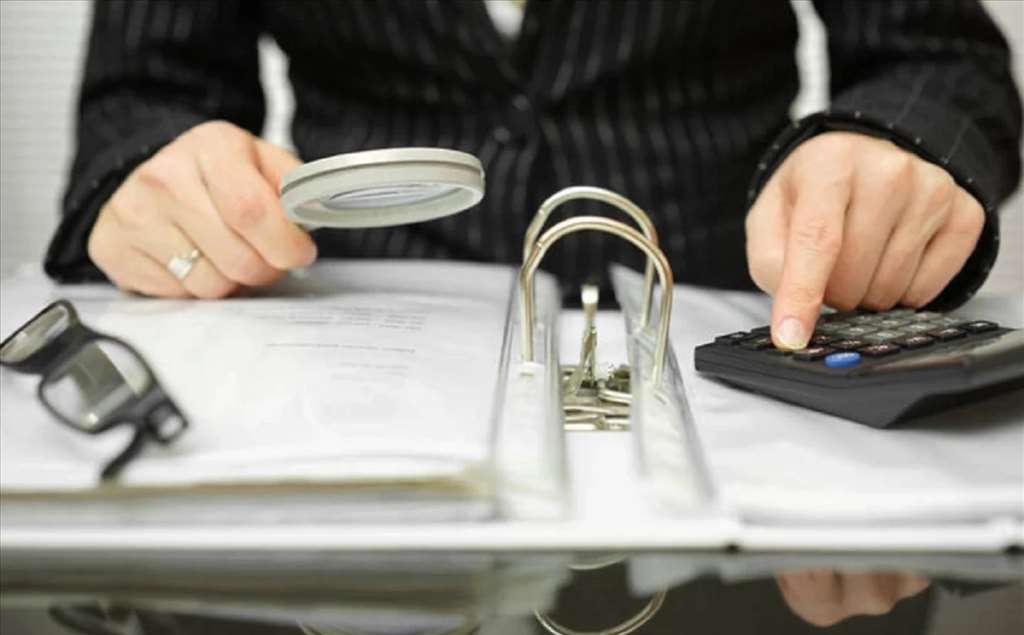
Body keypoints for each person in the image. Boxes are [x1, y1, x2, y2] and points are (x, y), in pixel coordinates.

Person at [46, 0, 1020, 352]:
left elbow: (940, 61)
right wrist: (153, 177)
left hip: (729, 330)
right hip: (357, 345)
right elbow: (142, 98)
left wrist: (894, 145)